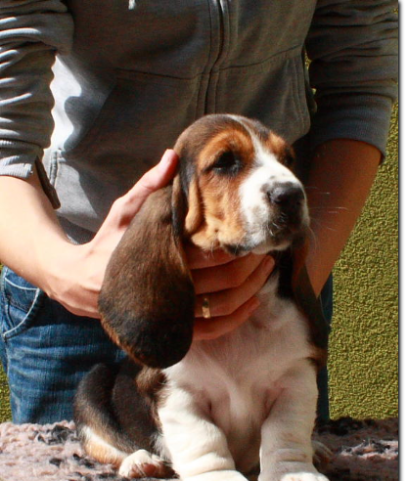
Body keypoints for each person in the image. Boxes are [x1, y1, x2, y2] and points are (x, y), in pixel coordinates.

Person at [0, 1, 398, 424]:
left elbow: (360, 75)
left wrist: (295, 280)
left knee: (284, 478)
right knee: (75, 477)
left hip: (267, 283)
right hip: (77, 283)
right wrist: (65, 271)